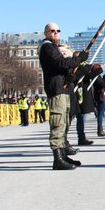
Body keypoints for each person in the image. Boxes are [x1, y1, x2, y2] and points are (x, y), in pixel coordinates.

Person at [40, 23, 90, 170]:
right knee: (58, 122)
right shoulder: (47, 47)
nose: (56, 33)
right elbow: (62, 63)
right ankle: (57, 159)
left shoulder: (54, 47)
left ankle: (62, 155)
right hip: (56, 89)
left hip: (63, 89)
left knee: (63, 124)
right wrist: (79, 58)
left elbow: (65, 68)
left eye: (58, 31)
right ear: (46, 33)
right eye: (52, 31)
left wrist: (74, 73)